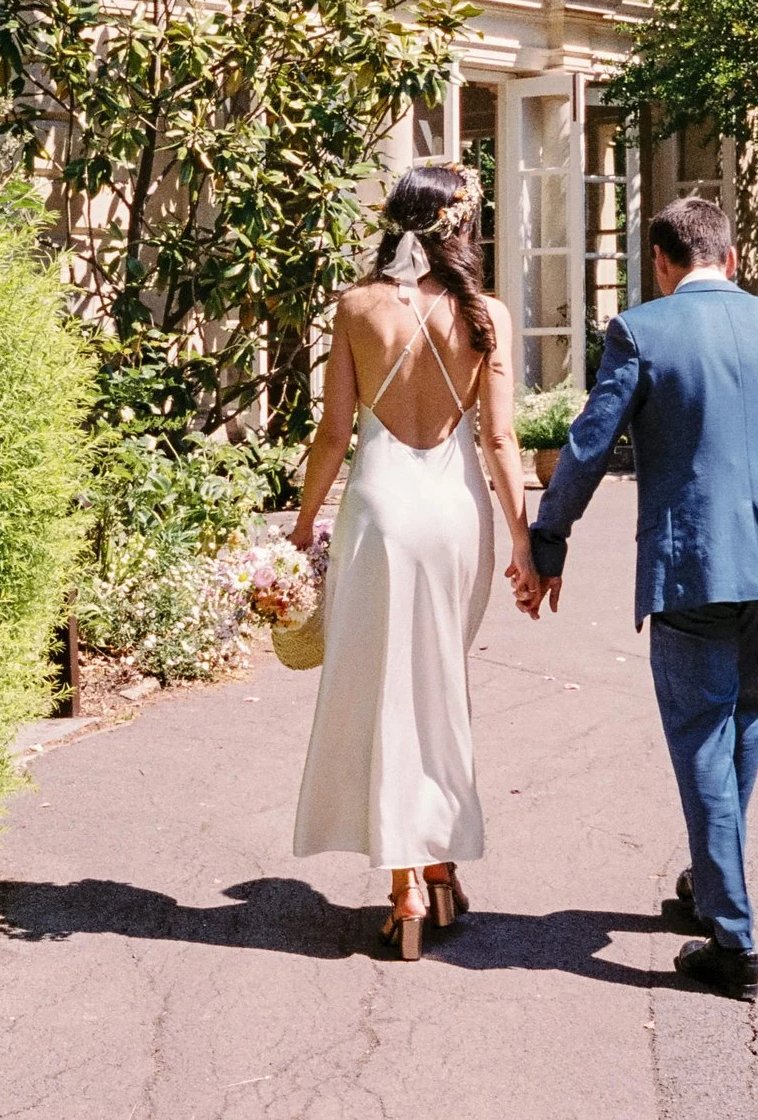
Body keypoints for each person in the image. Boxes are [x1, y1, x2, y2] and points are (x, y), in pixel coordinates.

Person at [520, 196, 758, 1000]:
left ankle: (733, 941)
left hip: (694, 564)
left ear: (663, 264)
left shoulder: (641, 329)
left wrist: (548, 537)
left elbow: (590, 442)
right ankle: (709, 883)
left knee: (702, 734)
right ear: (730, 259)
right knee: (745, 713)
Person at [290, 164, 536, 959]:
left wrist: (300, 531)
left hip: (381, 514)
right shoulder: (486, 314)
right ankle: (437, 865)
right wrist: (527, 543)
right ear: (457, 228)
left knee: (386, 692)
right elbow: (500, 442)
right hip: (456, 516)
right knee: (436, 686)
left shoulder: (357, 308)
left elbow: (333, 435)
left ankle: (405, 892)